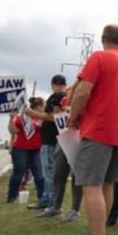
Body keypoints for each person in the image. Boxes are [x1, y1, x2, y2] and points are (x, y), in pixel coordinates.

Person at [62, 24, 118, 235]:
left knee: (90, 185)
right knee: (107, 185)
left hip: (98, 129)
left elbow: (83, 92)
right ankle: (98, 234)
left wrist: (73, 116)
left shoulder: (99, 57)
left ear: (103, 39)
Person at [33, 74, 68, 216]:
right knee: (51, 172)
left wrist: (33, 113)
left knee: (49, 172)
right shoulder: (58, 97)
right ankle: (48, 200)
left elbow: (54, 117)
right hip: (54, 138)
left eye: (60, 84)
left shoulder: (57, 98)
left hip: (51, 139)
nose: (58, 86)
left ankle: (50, 201)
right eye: (57, 84)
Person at [6, 97, 46, 204]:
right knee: (18, 174)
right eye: (43, 106)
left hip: (37, 150)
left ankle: (42, 198)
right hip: (20, 149)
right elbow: (13, 131)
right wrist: (11, 119)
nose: (44, 108)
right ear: (38, 107)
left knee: (40, 175)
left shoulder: (42, 118)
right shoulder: (22, 117)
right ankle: (12, 197)